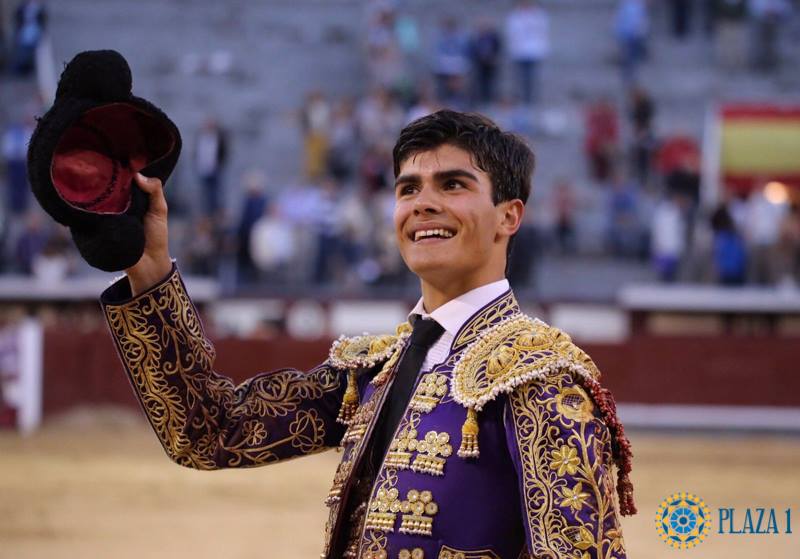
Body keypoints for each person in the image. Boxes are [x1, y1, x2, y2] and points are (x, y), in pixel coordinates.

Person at [100, 110, 634, 558]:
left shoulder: (538, 380)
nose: (423, 203)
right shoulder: (376, 371)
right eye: (409, 188)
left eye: (453, 184)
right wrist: (149, 270)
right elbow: (208, 431)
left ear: (508, 217)